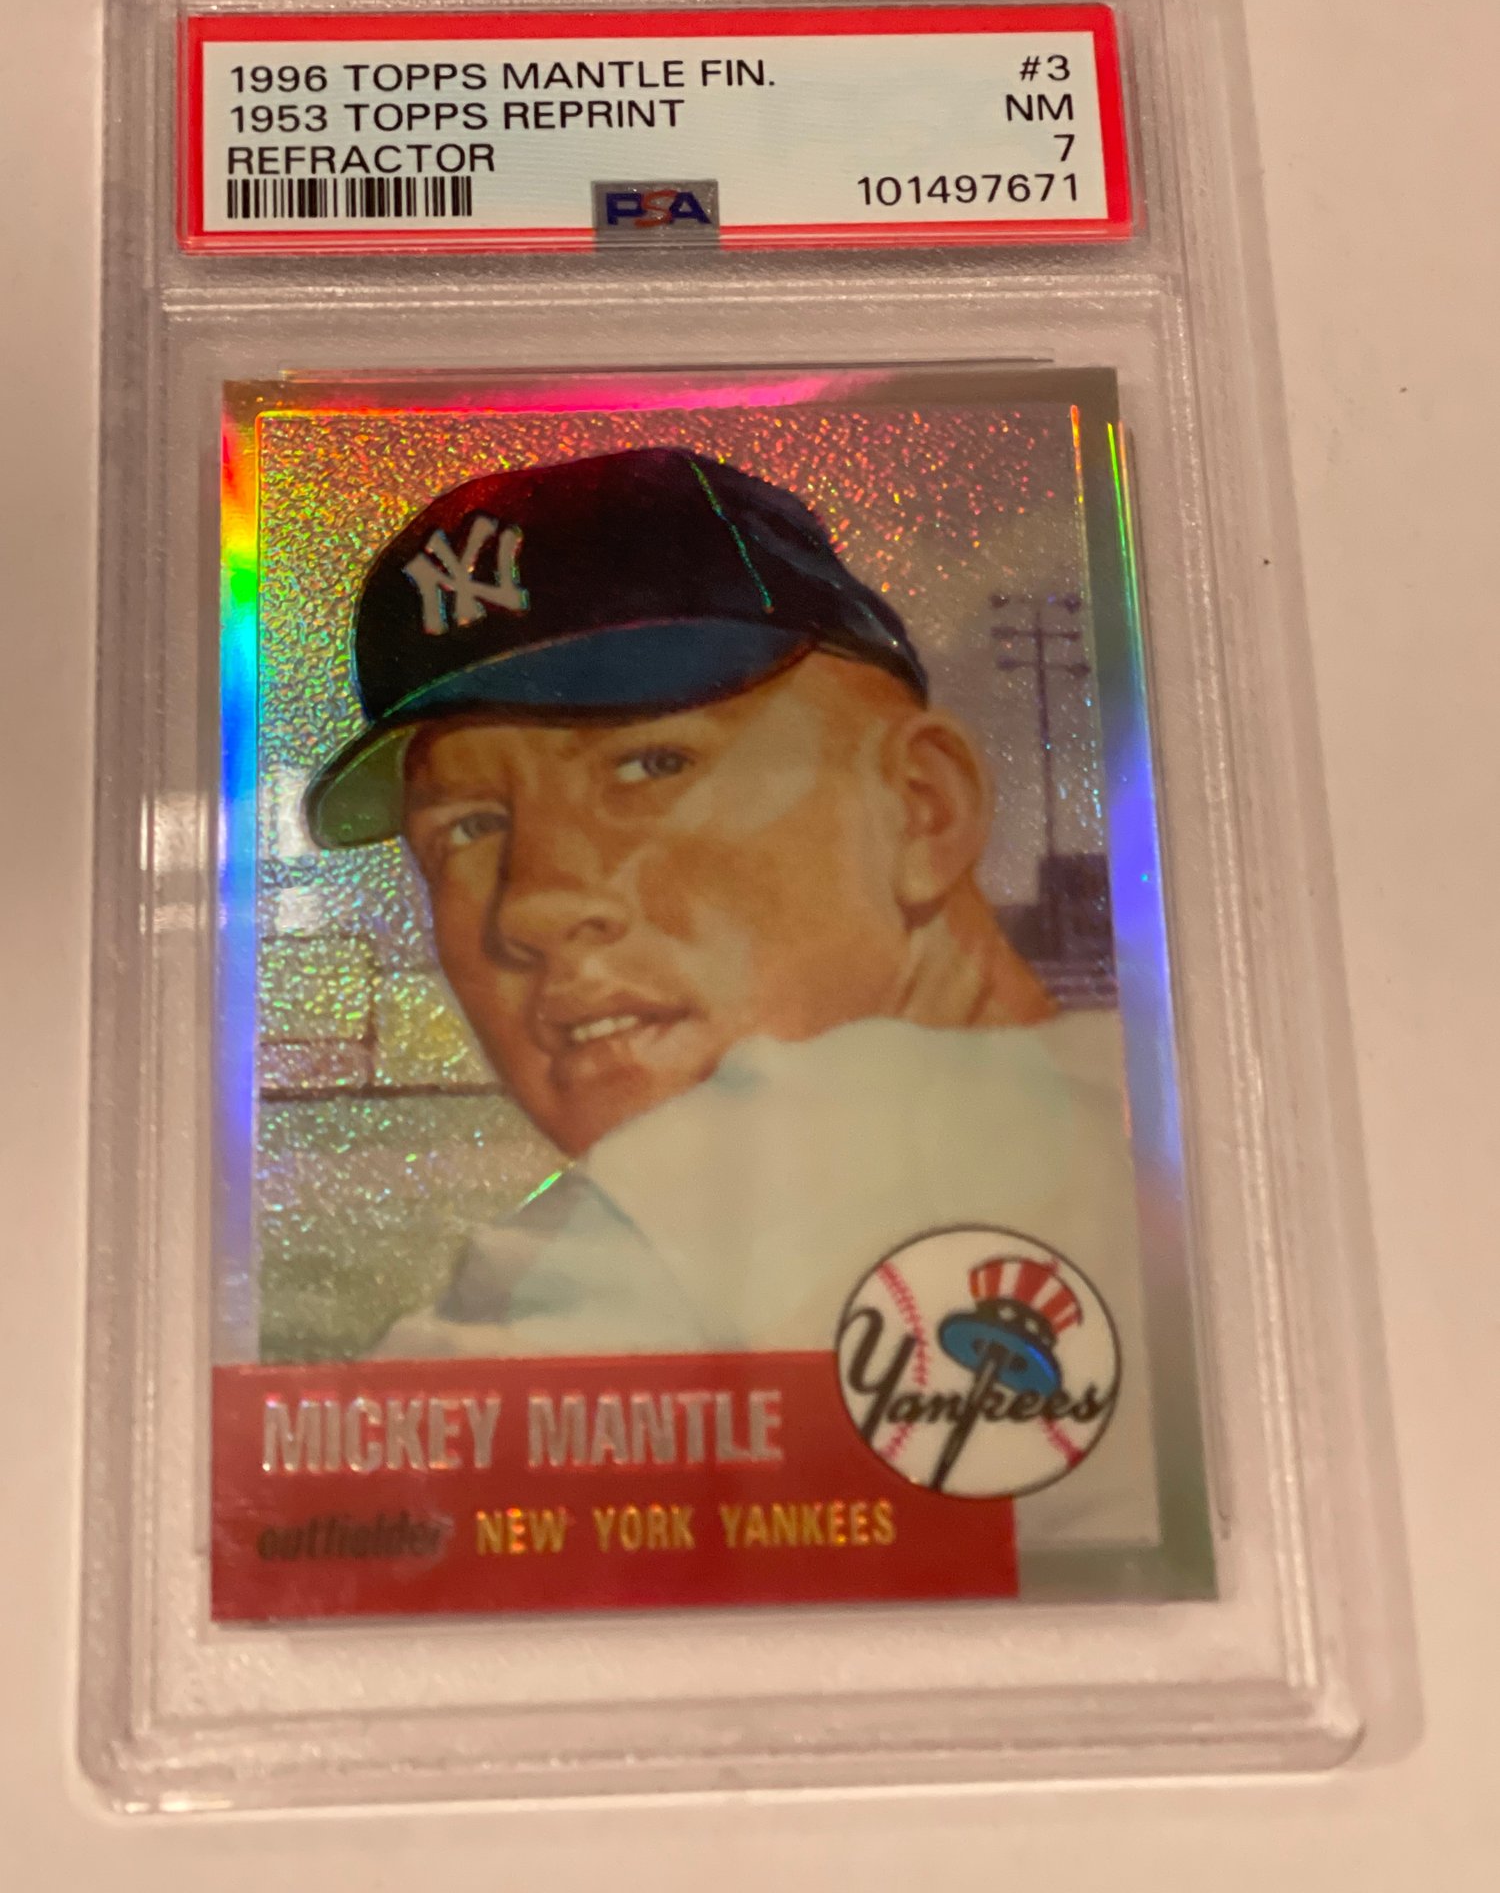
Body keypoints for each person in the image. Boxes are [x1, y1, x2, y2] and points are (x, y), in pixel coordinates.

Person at [304, 445, 1157, 1548]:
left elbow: (317, 1551)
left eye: (650, 764)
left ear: (921, 808)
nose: (533, 902)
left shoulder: (655, 1226)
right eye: (468, 826)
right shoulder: (1152, 1110)